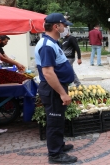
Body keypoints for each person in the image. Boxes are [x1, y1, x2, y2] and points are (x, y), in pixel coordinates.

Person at [34, 13, 77, 164]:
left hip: (55, 88)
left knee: (58, 119)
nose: (65, 28)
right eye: (64, 25)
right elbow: (48, 73)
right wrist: (62, 93)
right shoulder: (47, 46)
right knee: (54, 121)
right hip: (53, 90)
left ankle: (59, 146)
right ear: (55, 26)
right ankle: (55, 154)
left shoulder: (51, 42)